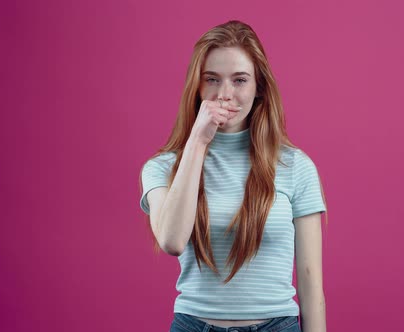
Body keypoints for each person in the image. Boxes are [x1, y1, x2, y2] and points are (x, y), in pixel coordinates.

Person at [139, 20, 328, 332]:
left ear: (259, 89)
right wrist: (197, 143)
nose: (224, 94)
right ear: (197, 88)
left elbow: (310, 284)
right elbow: (171, 241)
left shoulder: (296, 167)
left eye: (239, 80)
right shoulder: (162, 167)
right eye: (212, 79)